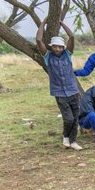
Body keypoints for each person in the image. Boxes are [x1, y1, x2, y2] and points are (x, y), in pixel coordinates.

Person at [36, 18, 83, 150]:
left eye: (60, 46)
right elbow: (39, 40)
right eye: (55, 46)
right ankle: (66, 136)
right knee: (68, 118)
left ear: (63, 47)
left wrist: (61, 23)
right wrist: (43, 23)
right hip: (60, 93)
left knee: (75, 118)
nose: (58, 49)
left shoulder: (67, 55)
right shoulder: (48, 56)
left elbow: (72, 36)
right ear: (52, 47)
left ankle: (73, 141)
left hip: (73, 91)